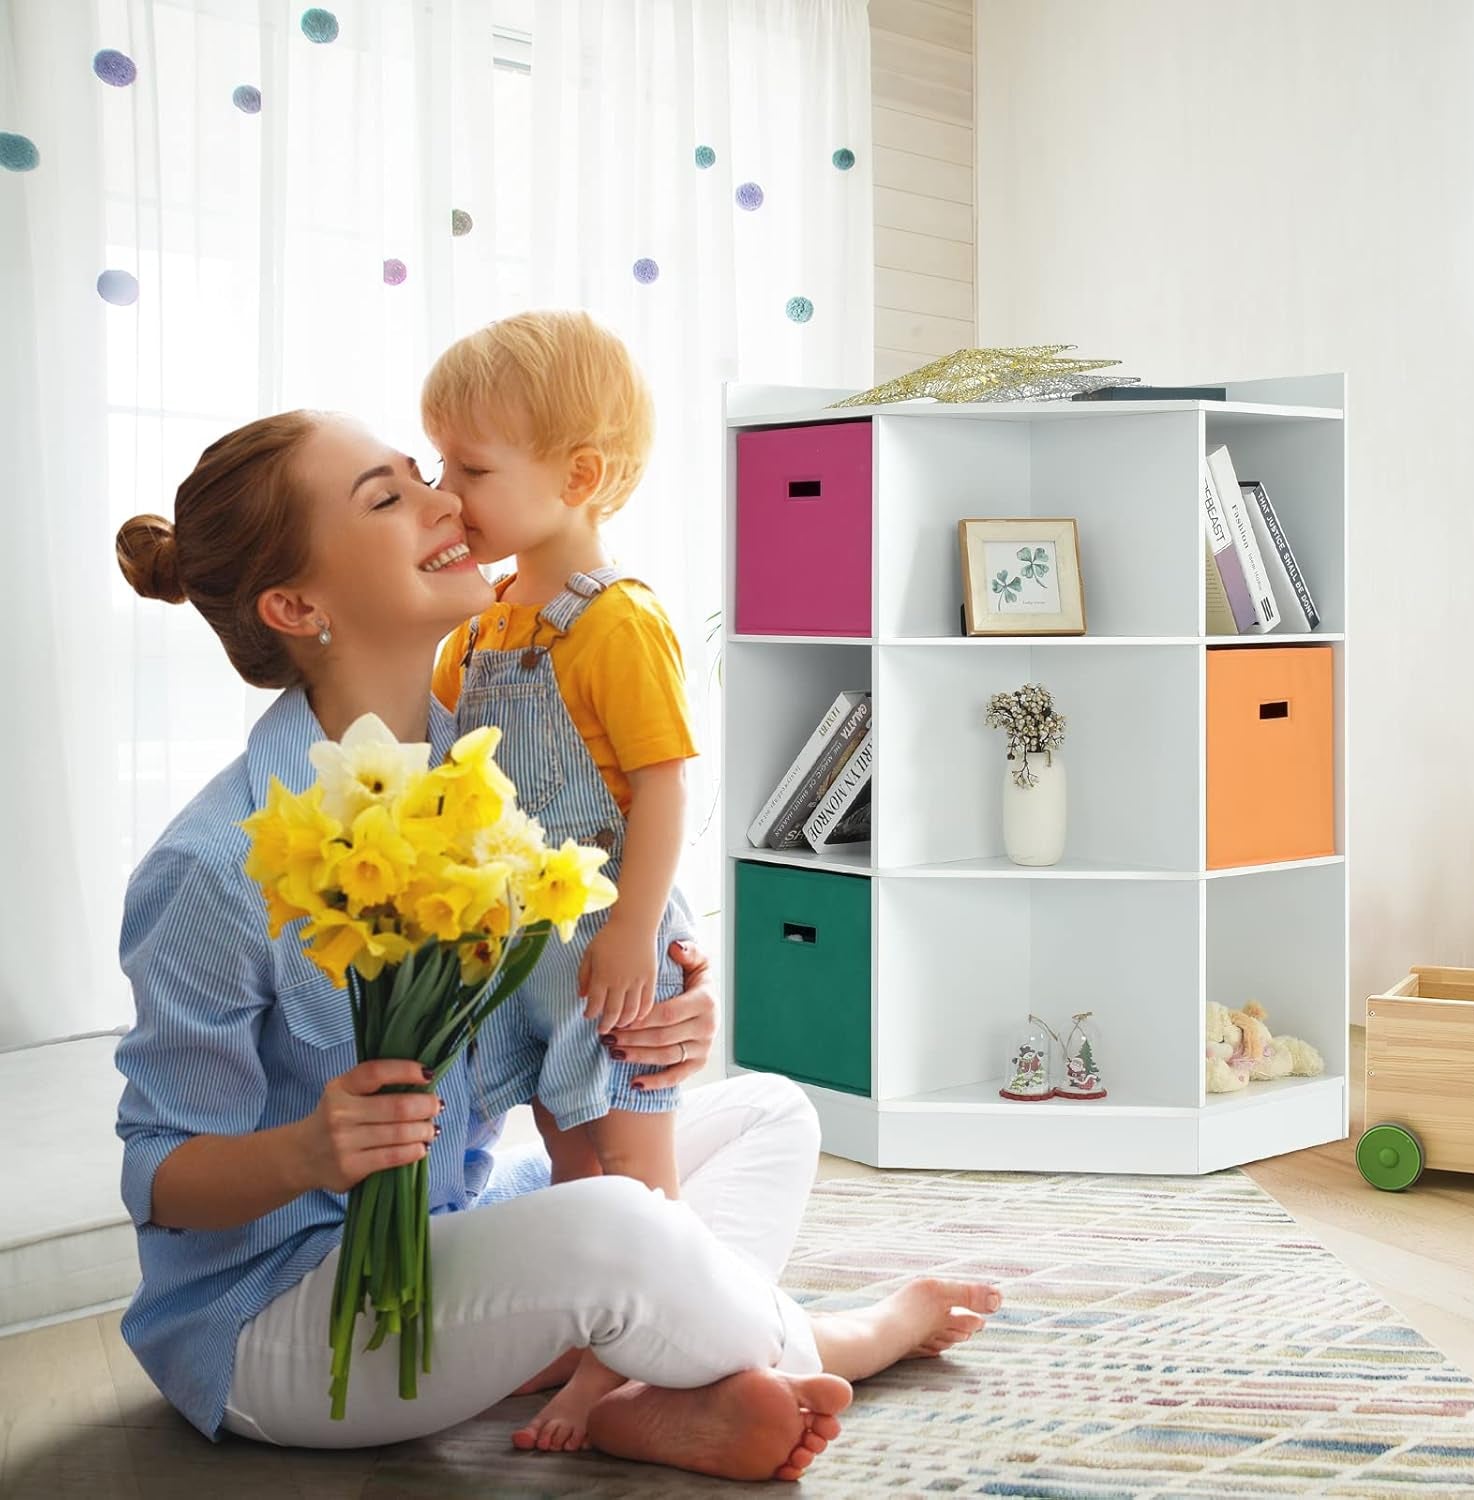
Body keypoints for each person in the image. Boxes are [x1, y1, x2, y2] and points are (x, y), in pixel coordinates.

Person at [113, 407, 1000, 1477]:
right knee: (619, 1227)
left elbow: (545, 1028)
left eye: (420, 472)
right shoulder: (214, 864)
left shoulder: (502, 786)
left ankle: (629, 1386)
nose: (447, 500)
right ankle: (850, 1339)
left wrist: (656, 1016)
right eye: (389, 498)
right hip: (286, 1317)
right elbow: (161, 1173)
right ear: (298, 605)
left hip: (462, 1219)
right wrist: (309, 1152)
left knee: (770, 1111)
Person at [424, 310, 694, 1447]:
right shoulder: (480, 630)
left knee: (631, 1163)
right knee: (568, 1148)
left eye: (471, 470)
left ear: (578, 476)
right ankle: (594, 1338)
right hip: (520, 949)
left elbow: (665, 783)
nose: (447, 495)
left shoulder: (616, 623)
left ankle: (647, 1352)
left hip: (602, 936)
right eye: (438, 464)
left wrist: (634, 932)